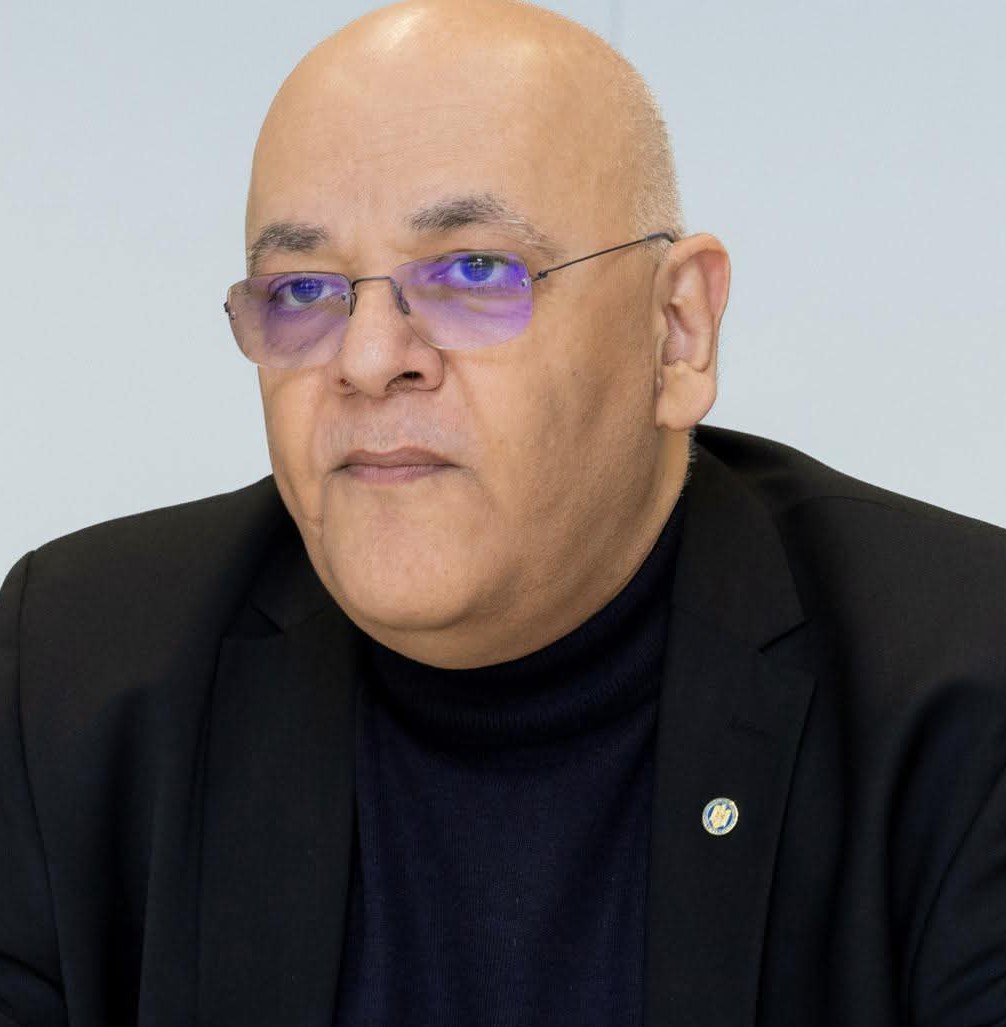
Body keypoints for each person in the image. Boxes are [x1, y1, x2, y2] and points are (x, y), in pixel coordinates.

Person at [1, 1, 1004, 1024]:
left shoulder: (963, 683)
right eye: (302, 290)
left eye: (473, 271)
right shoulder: (75, 667)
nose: (366, 359)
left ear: (676, 330)